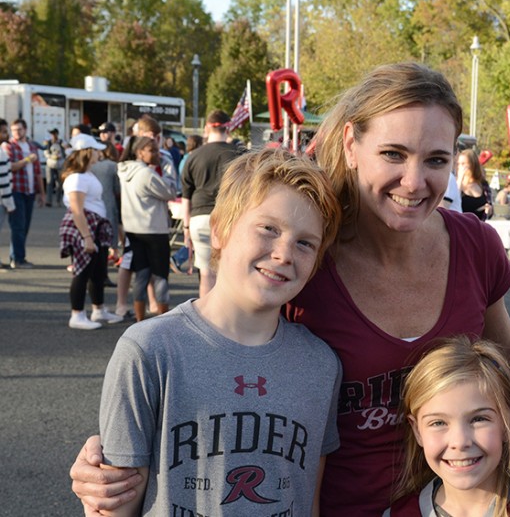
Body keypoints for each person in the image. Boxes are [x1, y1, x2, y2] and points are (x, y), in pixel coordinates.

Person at [71, 62, 510, 516]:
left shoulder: (475, 245)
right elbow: (214, 357)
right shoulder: (308, 260)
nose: (414, 180)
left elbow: (509, 365)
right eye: (393, 154)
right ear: (350, 144)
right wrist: (119, 456)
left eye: (436, 160)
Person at [97, 148, 343, 516]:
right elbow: (115, 503)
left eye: (305, 243)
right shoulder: (148, 351)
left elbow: (311, 498)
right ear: (219, 230)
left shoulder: (321, 365)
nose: (283, 254)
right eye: (268, 229)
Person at [386, 337, 510, 517]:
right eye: (438, 423)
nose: (459, 442)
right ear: (417, 430)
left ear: (507, 421)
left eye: (478, 419)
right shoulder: (399, 514)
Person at [59, 134, 124, 330]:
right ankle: (77, 314)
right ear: (87, 153)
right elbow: (77, 209)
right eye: (95, 150)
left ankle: (99, 309)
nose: (99, 152)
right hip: (85, 227)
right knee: (82, 271)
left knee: (97, 271)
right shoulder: (76, 178)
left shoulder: (86, 174)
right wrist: (87, 237)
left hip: (95, 225)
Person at [180, 110, 244, 297]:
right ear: (228, 128)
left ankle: (206, 319)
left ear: (207, 127)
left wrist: (186, 227)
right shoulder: (238, 154)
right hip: (229, 216)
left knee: (206, 272)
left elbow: (186, 196)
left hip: (199, 218)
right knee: (230, 270)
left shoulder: (193, 156)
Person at [118, 137, 177, 321]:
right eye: (152, 151)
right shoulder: (146, 174)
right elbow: (171, 191)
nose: (157, 154)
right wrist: (167, 169)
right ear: (139, 152)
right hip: (154, 230)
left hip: (134, 229)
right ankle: (163, 320)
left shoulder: (124, 170)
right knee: (160, 276)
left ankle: (139, 319)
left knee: (141, 275)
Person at [4, 118, 45, 268]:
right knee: (18, 226)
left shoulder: (32, 146)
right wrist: (27, 159)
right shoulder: (9, 146)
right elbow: (11, 167)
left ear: (25, 130)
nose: (16, 132)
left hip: (30, 191)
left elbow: (38, 172)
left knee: (25, 225)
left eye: (19, 129)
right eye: (14, 130)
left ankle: (17, 255)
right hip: (16, 190)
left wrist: (42, 192)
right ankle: (17, 259)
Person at [457, 148, 492, 221]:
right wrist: (460, 179)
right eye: (458, 164)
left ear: (473, 165)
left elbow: (490, 206)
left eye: (463, 164)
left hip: (479, 228)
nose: (460, 167)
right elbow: (453, 200)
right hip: (461, 226)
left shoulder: (483, 184)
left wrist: (489, 209)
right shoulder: (455, 183)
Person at [0, 120, 15, 271]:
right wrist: (10, 204)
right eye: (4, 131)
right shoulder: (1, 153)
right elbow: (3, 181)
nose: (7, 134)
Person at [44, 128, 67, 207]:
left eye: (54, 134)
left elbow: (66, 150)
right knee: (49, 182)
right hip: (50, 164)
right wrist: (52, 156)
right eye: (51, 134)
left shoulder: (61, 142)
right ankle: (49, 201)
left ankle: (58, 201)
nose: (53, 136)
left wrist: (61, 155)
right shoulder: (49, 143)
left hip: (60, 165)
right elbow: (46, 152)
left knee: (59, 183)